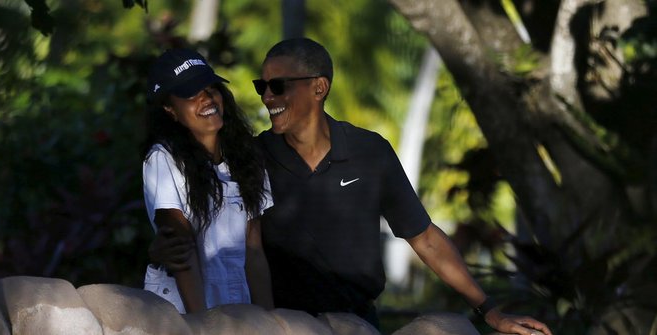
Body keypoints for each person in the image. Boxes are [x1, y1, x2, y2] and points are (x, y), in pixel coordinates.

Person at [153, 39, 552, 335]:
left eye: (278, 86)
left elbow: (424, 236)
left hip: (359, 324)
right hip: (286, 326)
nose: (267, 97)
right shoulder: (251, 157)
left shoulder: (370, 151)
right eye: (262, 86)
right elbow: (209, 228)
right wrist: (160, 248)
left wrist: (491, 311)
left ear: (319, 88)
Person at [141, 48, 273, 314]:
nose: (206, 98)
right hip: (181, 311)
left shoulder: (247, 158)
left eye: (210, 87)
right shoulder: (163, 159)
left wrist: (270, 321)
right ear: (170, 109)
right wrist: (201, 324)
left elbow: (254, 251)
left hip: (236, 306)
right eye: (191, 93)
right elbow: (181, 249)